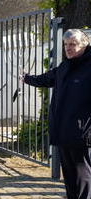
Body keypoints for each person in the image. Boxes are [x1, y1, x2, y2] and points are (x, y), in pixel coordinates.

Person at [20, 29, 91, 199]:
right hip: (63, 131)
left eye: (72, 44)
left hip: (83, 132)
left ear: (84, 44)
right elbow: (47, 78)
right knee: (68, 173)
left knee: (83, 174)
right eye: (66, 44)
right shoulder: (65, 66)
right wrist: (27, 78)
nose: (68, 48)